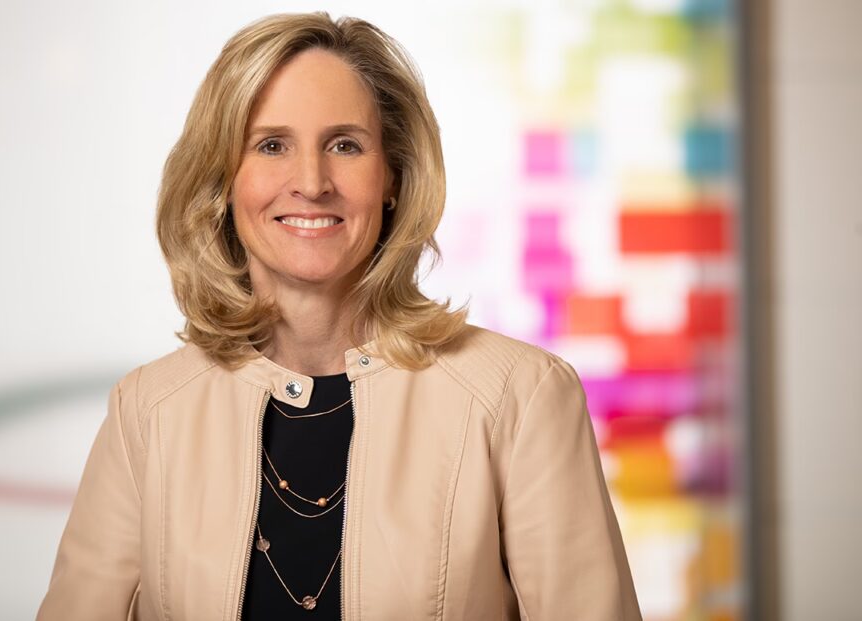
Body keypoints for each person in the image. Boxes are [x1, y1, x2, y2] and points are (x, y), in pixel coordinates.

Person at [37, 11, 641, 621]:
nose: (311, 182)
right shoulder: (147, 412)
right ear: (223, 180)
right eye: (272, 145)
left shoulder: (521, 397)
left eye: (345, 145)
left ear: (393, 176)